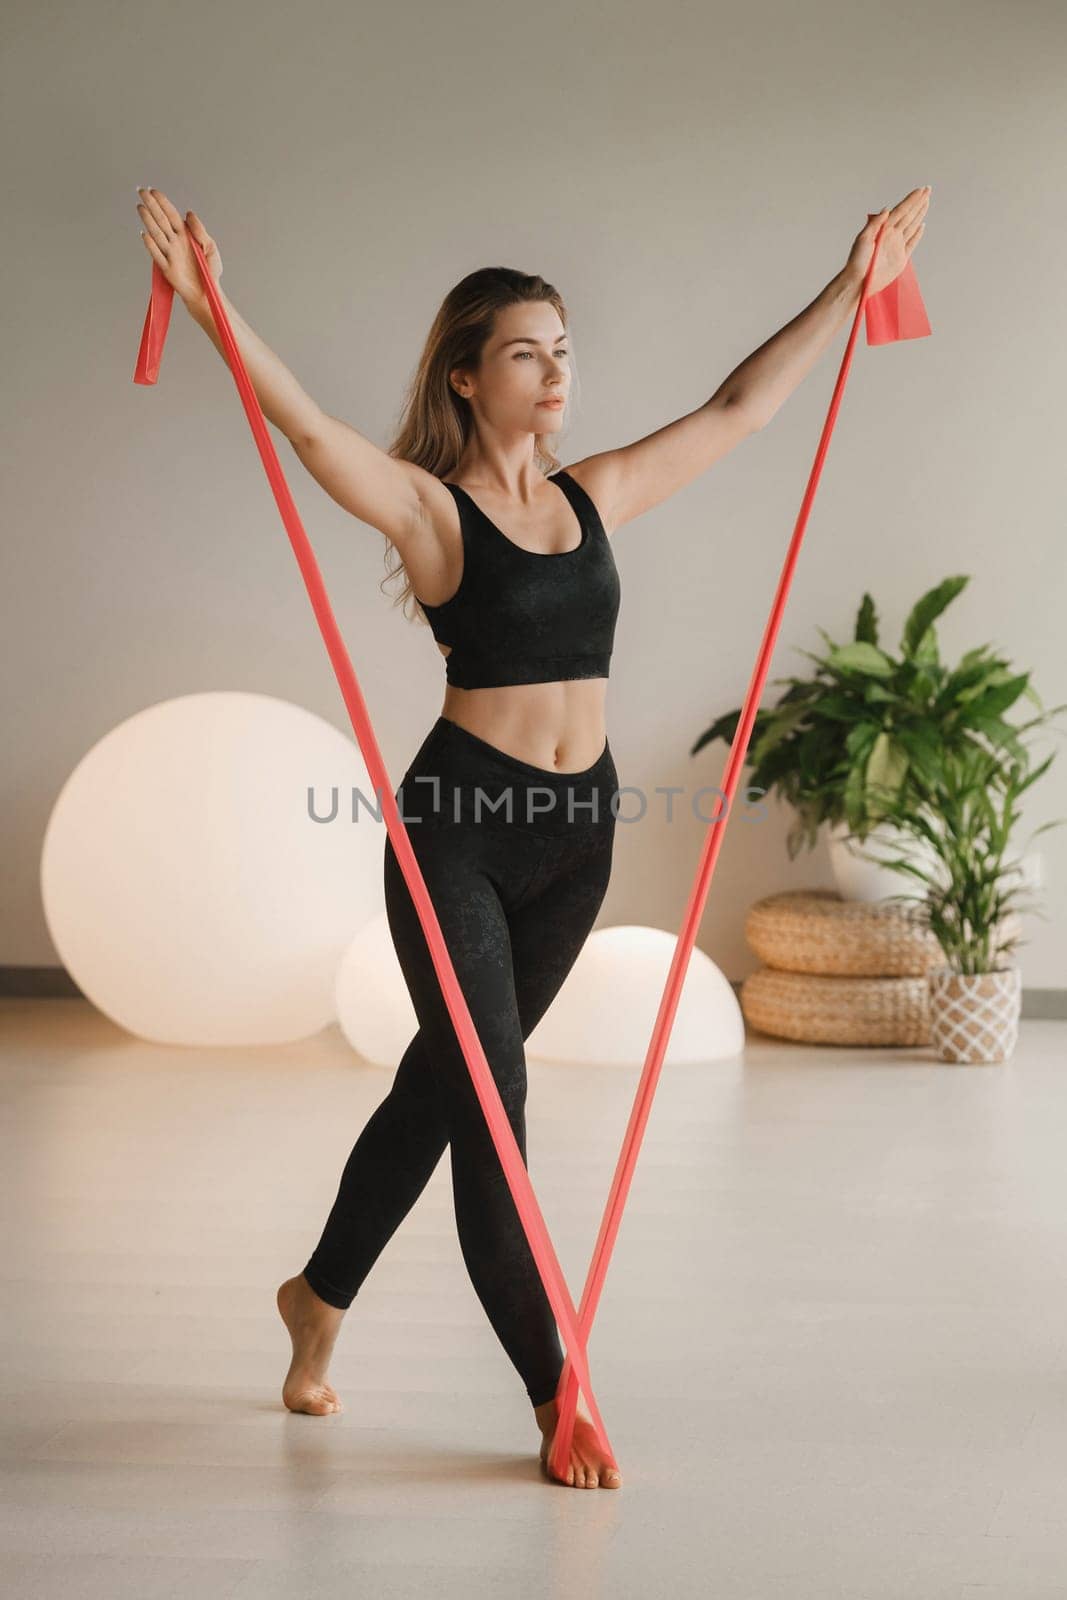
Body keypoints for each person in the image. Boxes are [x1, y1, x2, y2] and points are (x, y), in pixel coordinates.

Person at [135, 184, 930, 1490]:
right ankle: (557, 1393)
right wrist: (218, 308)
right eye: (527, 350)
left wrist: (854, 283)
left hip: (579, 835)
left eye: (565, 346)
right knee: (495, 1107)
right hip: (458, 832)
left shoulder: (596, 491)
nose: (557, 368)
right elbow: (309, 429)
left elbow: (739, 409)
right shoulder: (432, 511)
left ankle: (316, 1294)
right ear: (468, 374)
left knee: (449, 1082)